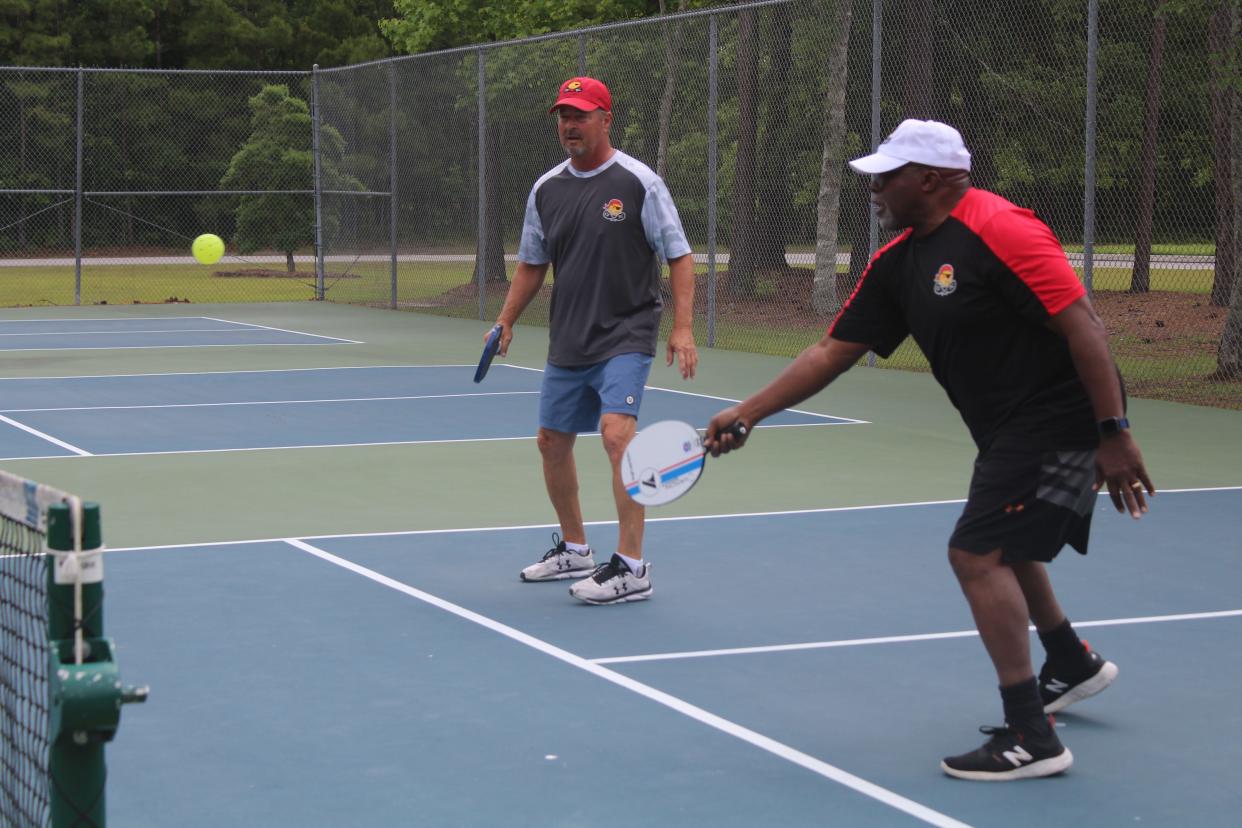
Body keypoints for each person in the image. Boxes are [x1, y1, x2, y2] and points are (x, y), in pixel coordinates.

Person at [704, 119, 1154, 780]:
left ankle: (1032, 736)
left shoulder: (1002, 229)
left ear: (934, 179)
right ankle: (1070, 663)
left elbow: (1083, 324)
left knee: (976, 553)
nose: (875, 190)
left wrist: (1112, 433)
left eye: (886, 177)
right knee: (1013, 543)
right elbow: (833, 350)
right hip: (1010, 429)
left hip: (1064, 420)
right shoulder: (899, 262)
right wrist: (748, 413)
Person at [491, 76, 697, 605]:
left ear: (606, 119)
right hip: (570, 336)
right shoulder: (546, 189)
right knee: (550, 441)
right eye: (563, 115)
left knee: (616, 436)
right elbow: (532, 264)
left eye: (581, 115)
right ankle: (576, 549)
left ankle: (631, 567)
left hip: (627, 332)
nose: (570, 125)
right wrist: (506, 319)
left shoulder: (638, 182)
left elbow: (679, 254)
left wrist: (682, 326)